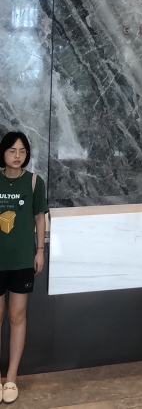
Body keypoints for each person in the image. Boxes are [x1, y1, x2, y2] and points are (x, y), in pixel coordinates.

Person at [0, 132, 48, 404]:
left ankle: (11, 378)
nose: (17, 156)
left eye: (22, 151)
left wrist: (39, 250)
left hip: (22, 261)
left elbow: (39, 218)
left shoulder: (34, 182)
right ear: (3, 153)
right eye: (11, 150)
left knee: (17, 316)